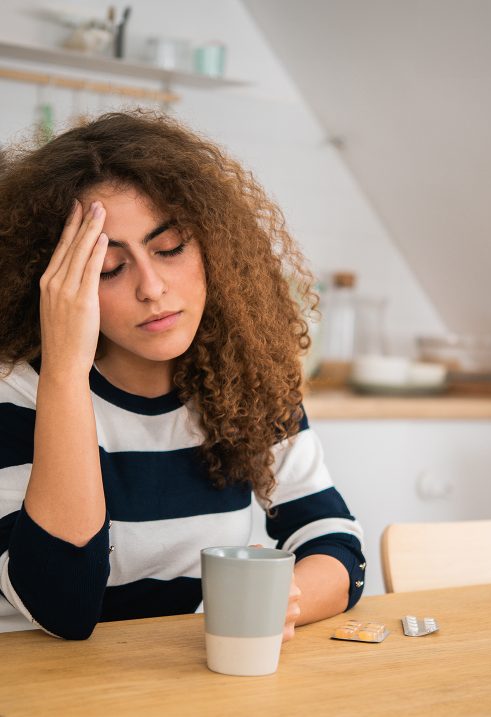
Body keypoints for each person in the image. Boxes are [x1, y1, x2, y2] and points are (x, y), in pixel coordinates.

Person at [0, 111, 365, 640]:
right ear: (54, 282)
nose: (152, 287)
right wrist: (65, 371)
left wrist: (281, 599)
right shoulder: (18, 393)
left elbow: (335, 544)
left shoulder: (247, 380)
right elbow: (63, 607)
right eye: (109, 268)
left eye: (169, 248)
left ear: (213, 246)